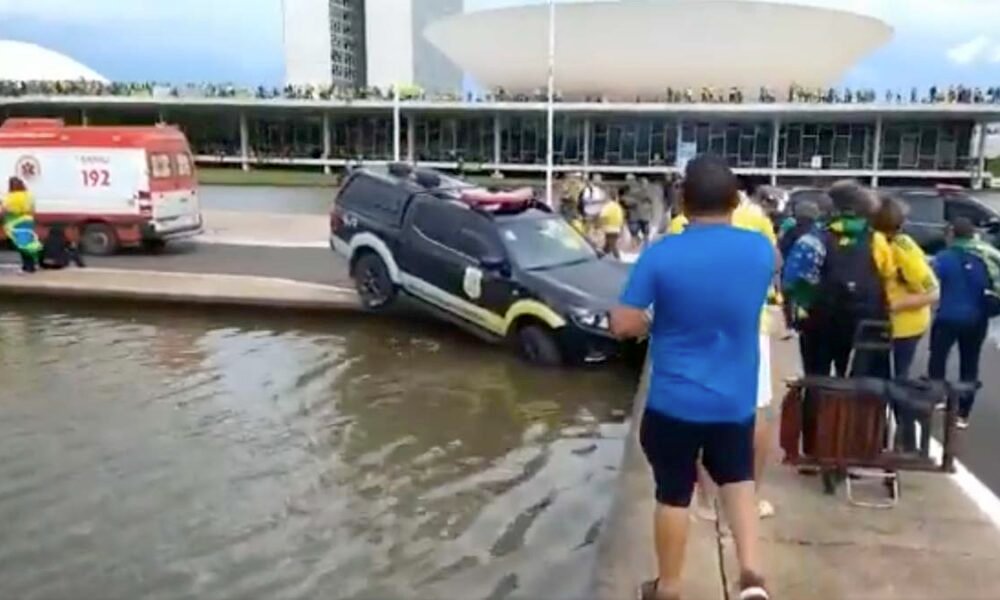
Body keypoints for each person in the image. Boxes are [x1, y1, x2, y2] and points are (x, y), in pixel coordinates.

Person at [612, 155, 774, 600]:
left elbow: (623, 323)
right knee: (738, 480)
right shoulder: (760, 250)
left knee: (674, 492)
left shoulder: (663, 254)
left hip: (674, 402)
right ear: (735, 200)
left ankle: (669, 588)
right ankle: (752, 578)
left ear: (682, 200)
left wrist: (652, 321)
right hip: (734, 400)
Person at [669, 184, 781, 520]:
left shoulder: (680, 223)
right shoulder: (756, 219)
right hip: (748, 327)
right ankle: (750, 498)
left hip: (697, 331)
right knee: (757, 413)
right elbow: (774, 263)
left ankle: (706, 502)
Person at [871, 196, 938, 449]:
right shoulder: (881, 243)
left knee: (895, 382)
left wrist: (894, 305)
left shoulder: (902, 248)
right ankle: (888, 436)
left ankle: (908, 439)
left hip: (903, 327)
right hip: (889, 325)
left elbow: (932, 291)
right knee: (885, 380)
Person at [928, 218, 997, 429]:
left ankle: (937, 398)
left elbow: (928, 281)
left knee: (938, 358)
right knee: (970, 363)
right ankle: (963, 413)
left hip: (947, 317)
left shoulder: (944, 258)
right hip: (977, 319)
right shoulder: (986, 257)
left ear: (951, 235)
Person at [2, 176, 41, 273]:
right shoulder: (28, 196)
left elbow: (5, 210)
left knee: (22, 245)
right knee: (28, 244)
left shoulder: (10, 197)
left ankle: (27, 267)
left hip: (15, 223)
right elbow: (32, 209)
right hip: (28, 221)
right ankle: (31, 265)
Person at [600, 188, 625, 259]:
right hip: (616, 229)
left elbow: (603, 217)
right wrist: (621, 228)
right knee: (608, 245)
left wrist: (602, 227)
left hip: (609, 229)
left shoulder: (607, 206)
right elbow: (621, 219)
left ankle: (617, 258)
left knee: (611, 245)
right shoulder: (618, 207)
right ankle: (601, 256)